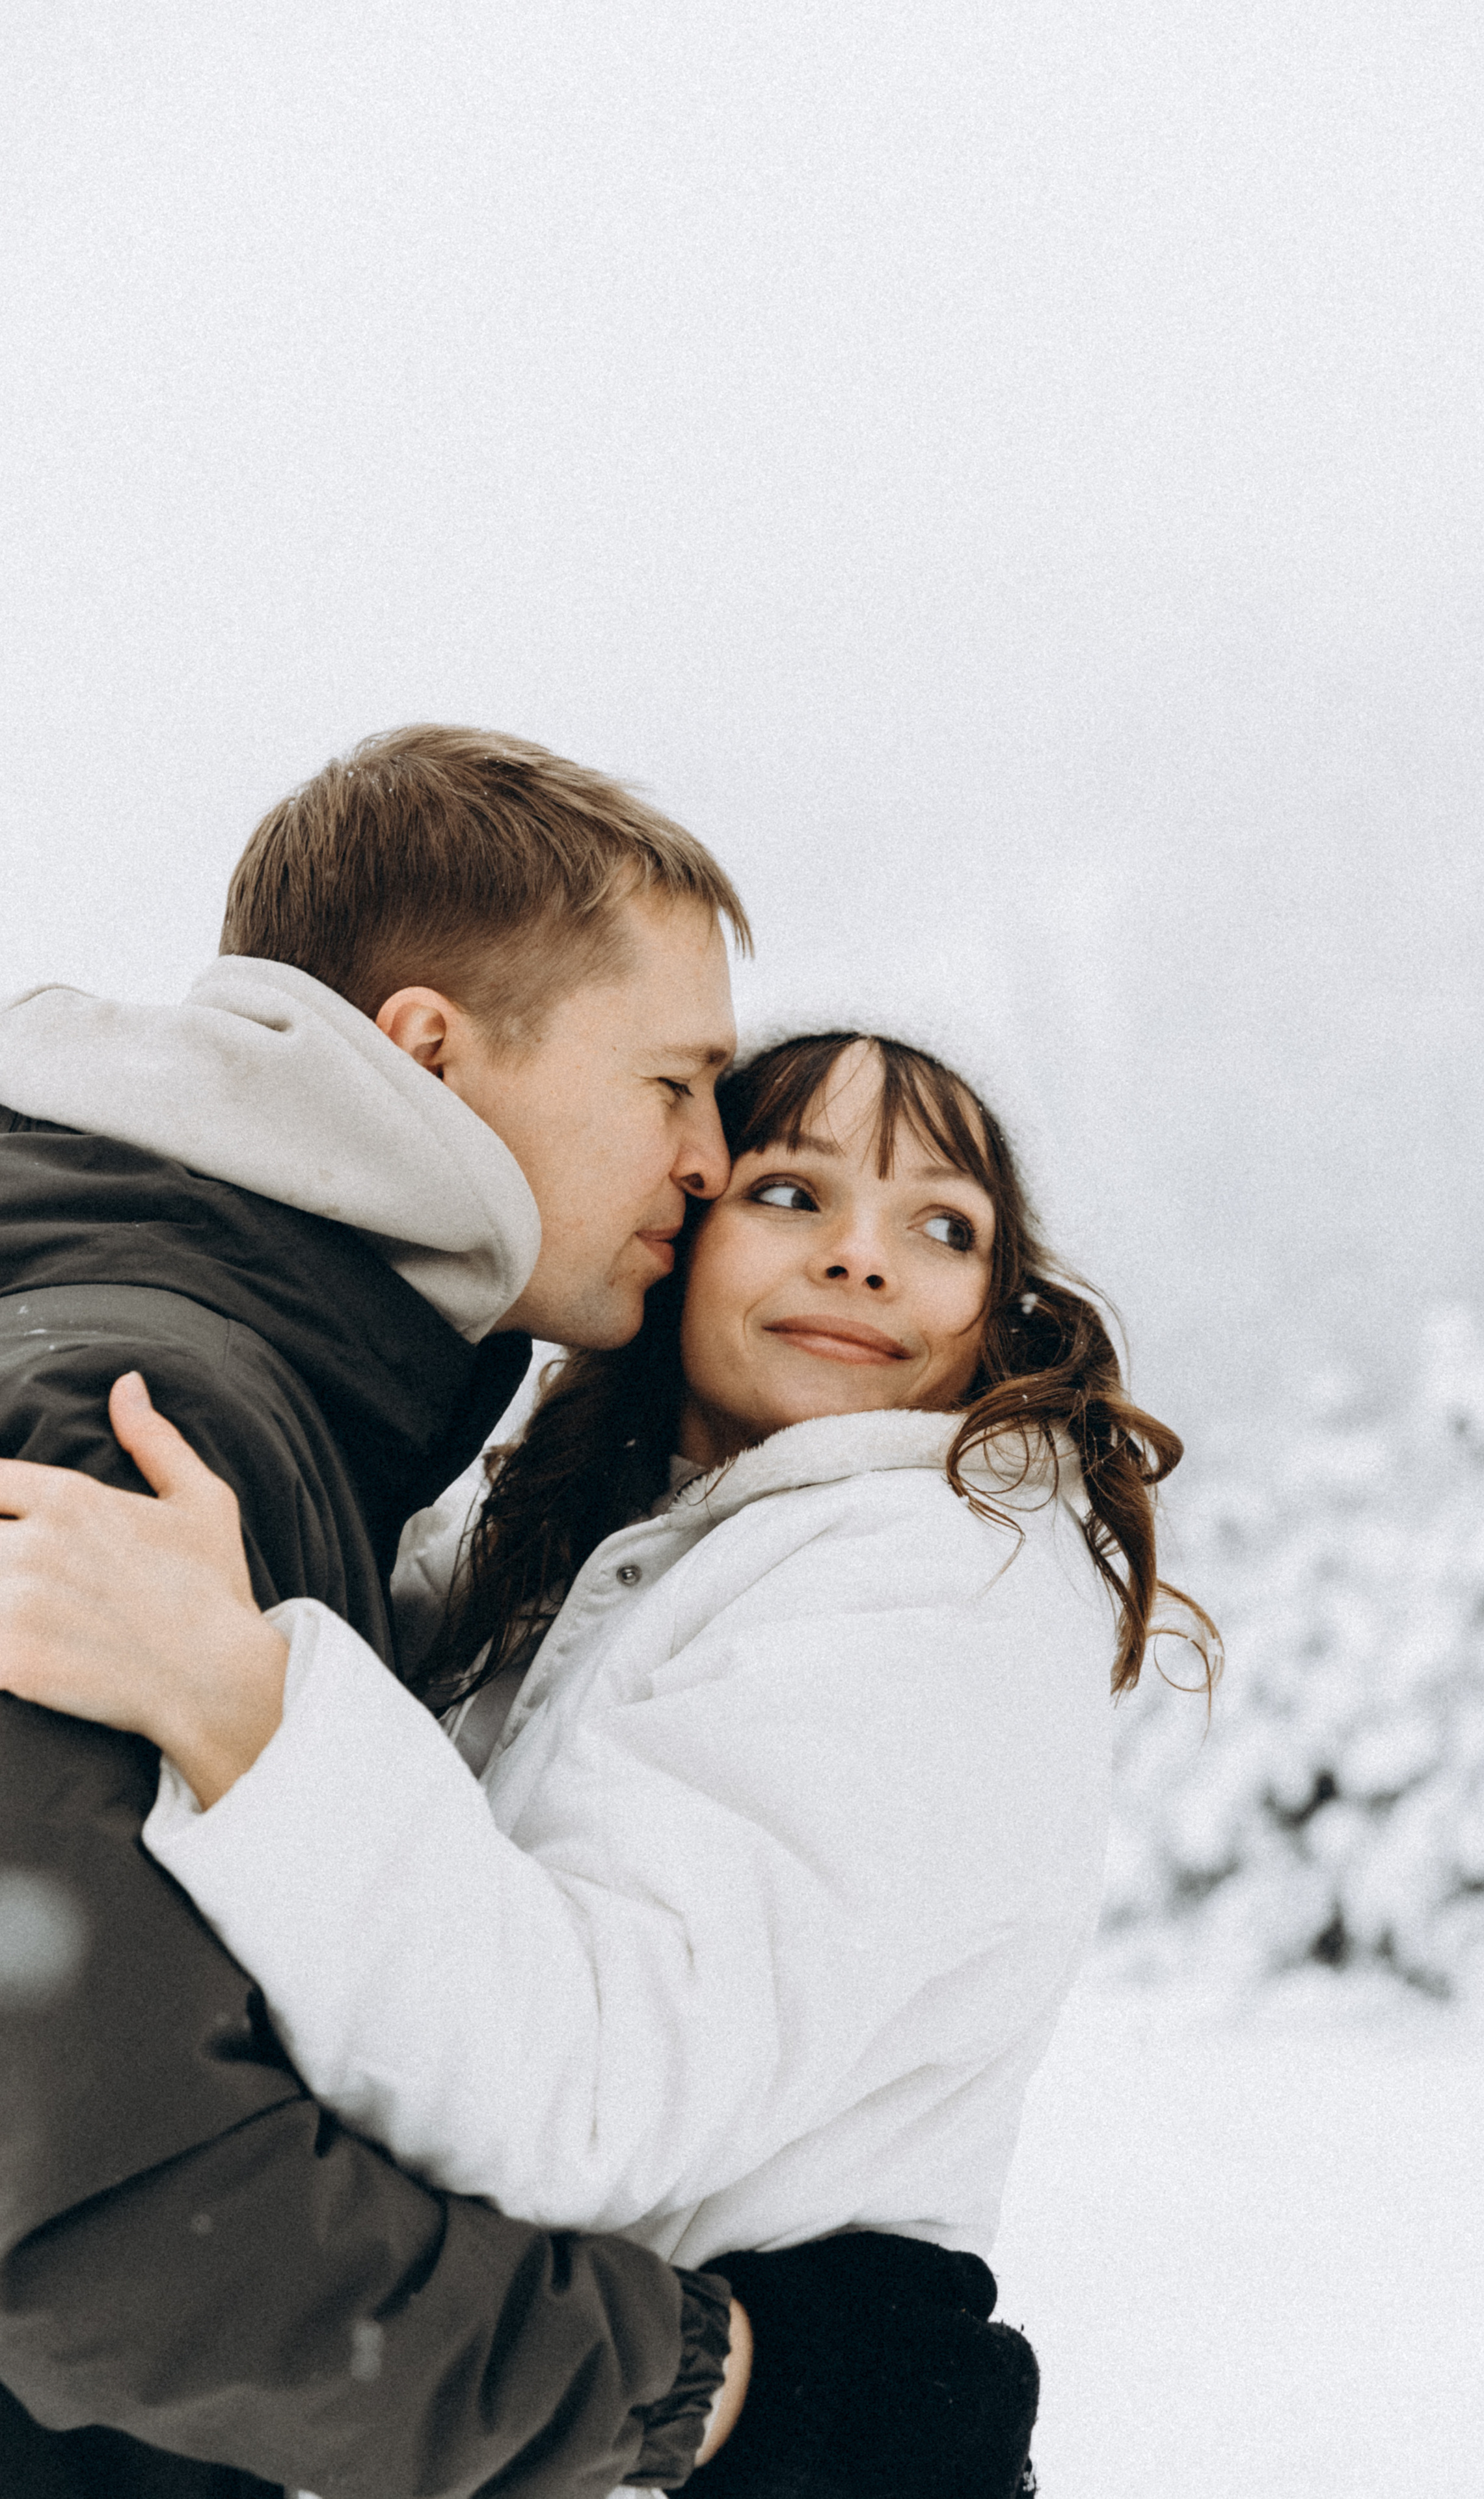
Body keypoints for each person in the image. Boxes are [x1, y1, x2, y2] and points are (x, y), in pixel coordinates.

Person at [0, 729, 1042, 2499]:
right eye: (676, 1089)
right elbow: (100, 2209)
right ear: (426, 1051)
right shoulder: (141, 1413)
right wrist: (707, 2393)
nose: (709, 1163)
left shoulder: (292, 1404)